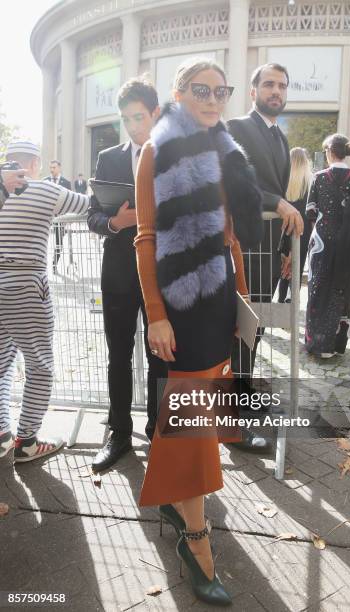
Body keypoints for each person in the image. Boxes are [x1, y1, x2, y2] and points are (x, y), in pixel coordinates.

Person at [134, 57, 262, 606]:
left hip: (217, 297)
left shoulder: (225, 148)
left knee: (202, 409)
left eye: (221, 91)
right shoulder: (156, 148)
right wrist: (157, 313)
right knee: (194, 420)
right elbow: (144, 239)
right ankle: (196, 538)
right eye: (200, 90)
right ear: (180, 93)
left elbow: (232, 230)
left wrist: (242, 291)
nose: (212, 99)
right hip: (180, 306)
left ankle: (174, 500)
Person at [87, 77, 167, 473]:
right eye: (127, 119)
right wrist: (116, 222)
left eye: (140, 116)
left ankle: (159, 433)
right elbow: (92, 216)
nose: (134, 125)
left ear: (155, 112)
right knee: (118, 354)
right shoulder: (109, 158)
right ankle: (119, 432)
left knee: (160, 356)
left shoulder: (172, 154)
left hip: (161, 272)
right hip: (118, 270)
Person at [0, 140, 89, 462]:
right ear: (35, 163)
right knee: (40, 365)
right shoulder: (45, 191)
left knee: (2, 361)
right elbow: (89, 205)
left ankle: (1, 434)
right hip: (26, 285)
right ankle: (27, 441)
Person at [227, 63, 304, 415]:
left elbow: (278, 189)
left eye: (283, 86)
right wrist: (276, 202)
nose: (277, 91)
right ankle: (233, 394)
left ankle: (242, 385)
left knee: (254, 323)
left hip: (271, 246)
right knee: (241, 322)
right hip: (245, 245)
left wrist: (287, 248)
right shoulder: (236, 128)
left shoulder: (280, 135)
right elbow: (236, 181)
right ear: (253, 91)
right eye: (270, 84)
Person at [305, 133, 350, 358]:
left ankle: (318, 344)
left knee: (318, 290)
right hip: (347, 244)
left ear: (328, 152)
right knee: (341, 290)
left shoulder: (319, 177)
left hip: (321, 244)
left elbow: (310, 211)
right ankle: (336, 344)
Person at [278, 147, 313, 303]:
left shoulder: (283, 180)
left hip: (283, 228)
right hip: (302, 230)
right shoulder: (310, 182)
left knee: (284, 266)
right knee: (296, 267)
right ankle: (292, 300)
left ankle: (280, 300)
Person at [44, 160, 72, 273]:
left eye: (54, 167)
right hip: (45, 217)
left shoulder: (66, 183)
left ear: (59, 168)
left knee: (58, 242)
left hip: (60, 218)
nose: (51, 170)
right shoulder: (44, 181)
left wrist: (68, 218)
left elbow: (69, 200)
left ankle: (54, 264)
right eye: (50, 167)